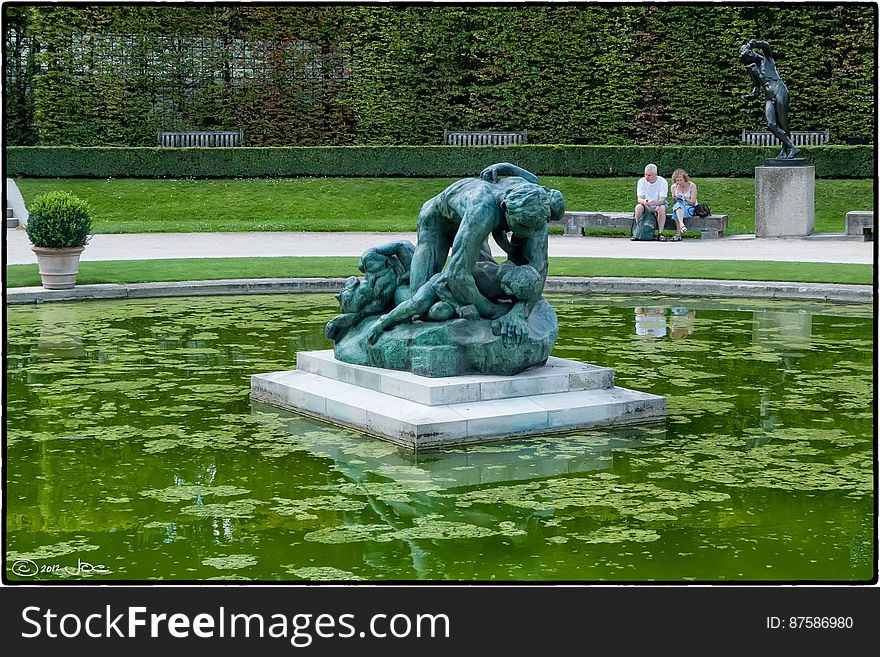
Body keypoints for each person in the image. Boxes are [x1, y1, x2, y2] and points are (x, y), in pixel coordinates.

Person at [395, 162, 564, 347]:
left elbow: (539, 268)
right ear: (505, 207)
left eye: (533, 228)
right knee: (418, 298)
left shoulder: (536, 207)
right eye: (521, 226)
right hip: (439, 221)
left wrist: (518, 313)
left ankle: (449, 302)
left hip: (474, 227)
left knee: (486, 281)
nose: (526, 234)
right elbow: (457, 273)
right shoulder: (482, 210)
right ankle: (394, 279)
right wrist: (491, 310)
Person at [366, 261, 543, 345]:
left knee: (440, 312)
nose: (509, 295)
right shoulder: (481, 272)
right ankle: (383, 322)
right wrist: (460, 306)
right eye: (509, 291)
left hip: (455, 302)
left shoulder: (517, 279)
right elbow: (439, 284)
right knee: (418, 303)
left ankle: (425, 317)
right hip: (441, 288)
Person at [739, 39, 800, 160]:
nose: (750, 58)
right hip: (769, 97)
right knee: (771, 124)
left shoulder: (767, 59)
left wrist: (754, 43)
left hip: (780, 90)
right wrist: (750, 96)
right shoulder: (752, 69)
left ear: (751, 53)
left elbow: (766, 45)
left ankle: (785, 150)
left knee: (782, 122)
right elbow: (757, 88)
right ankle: (793, 147)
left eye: (749, 55)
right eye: (747, 58)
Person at [634, 163, 669, 240]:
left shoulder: (662, 182)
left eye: (649, 175)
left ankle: (660, 233)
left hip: (658, 205)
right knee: (638, 207)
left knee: (662, 208)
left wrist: (654, 203)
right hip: (646, 205)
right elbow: (639, 199)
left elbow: (662, 200)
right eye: (645, 174)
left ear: (655, 174)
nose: (646, 177)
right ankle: (638, 231)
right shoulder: (641, 181)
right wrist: (644, 202)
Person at [669, 168, 698, 242]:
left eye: (680, 180)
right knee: (678, 205)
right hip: (679, 206)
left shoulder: (692, 186)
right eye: (677, 181)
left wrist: (684, 198)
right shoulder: (673, 187)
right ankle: (682, 225)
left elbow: (693, 202)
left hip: (690, 207)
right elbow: (674, 201)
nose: (679, 182)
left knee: (676, 210)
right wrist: (675, 198)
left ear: (685, 179)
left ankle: (678, 234)